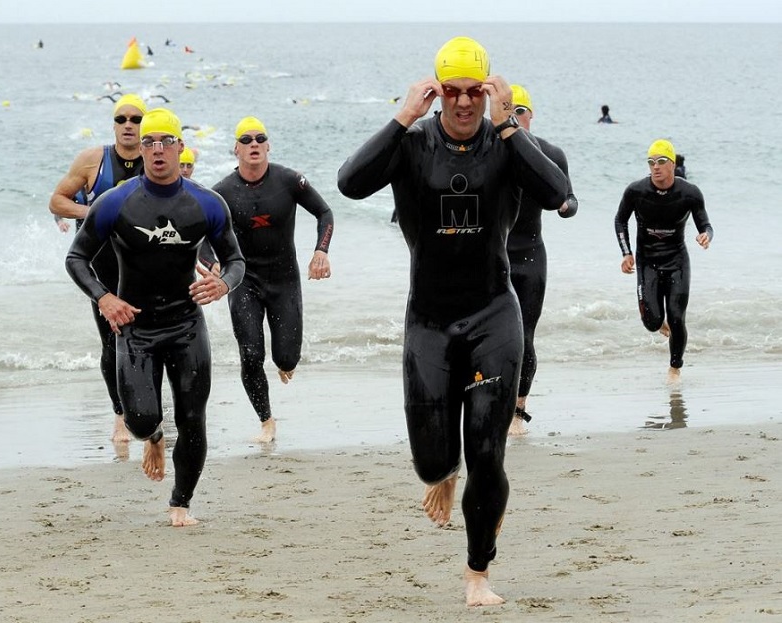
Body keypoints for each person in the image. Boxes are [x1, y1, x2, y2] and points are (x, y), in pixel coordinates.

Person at [337, 36, 568, 606]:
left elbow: (559, 192)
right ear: (437, 92)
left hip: (493, 314)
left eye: (474, 91)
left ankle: (477, 574)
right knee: (432, 461)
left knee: (487, 452)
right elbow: (349, 183)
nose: (464, 103)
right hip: (430, 323)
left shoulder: (508, 143)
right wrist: (401, 116)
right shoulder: (413, 144)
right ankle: (444, 472)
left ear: (487, 90)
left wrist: (509, 122)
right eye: (452, 92)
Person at [65, 108, 245, 526]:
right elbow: (77, 257)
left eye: (166, 142)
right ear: (141, 149)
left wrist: (223, 284)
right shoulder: (116, 202)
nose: (158, 150)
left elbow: (235, 260)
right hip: (136, 328)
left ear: (180, 147)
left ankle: (180, 504)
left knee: (193, 418)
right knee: (141, 419)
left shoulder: (207, 203)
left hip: (186, 326)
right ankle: (155, 439)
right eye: (150, 142)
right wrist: (104, 298)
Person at [208, 116, 334, 443]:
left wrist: (321, 251)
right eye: (246, 140)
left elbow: (325, 214)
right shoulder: (222, 192)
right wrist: (209, 264)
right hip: (244, 280)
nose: (253, 145)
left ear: (268, 146)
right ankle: (266, 420)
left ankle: (285, 361)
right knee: (251, 355)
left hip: (284, 279)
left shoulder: (290, 181)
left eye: (259, 139)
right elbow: (202, 234)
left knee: (287, 358)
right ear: (235, 149)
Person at [49, 93, 148, 449]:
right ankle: (120, 415)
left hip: (143, 264)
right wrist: (89, 213)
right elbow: (56, 200)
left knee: (150, 337)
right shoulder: (93, 160)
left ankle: (150, 407)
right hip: (101, 264)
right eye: (121, 119)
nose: (128, 125)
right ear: (114, 125)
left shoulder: (155, 159)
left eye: (135, 119)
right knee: (112, 340)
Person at [506, 85, 579, 436]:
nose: (516, 118)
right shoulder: (493, 152)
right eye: (510, 112)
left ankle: (518, 411)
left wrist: (566, 206)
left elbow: (570, 198)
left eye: (521, 111)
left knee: (525, 337)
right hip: (492, 258)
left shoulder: (550, 153)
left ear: (531, 116)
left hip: (531, 256)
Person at [614, 139, 712, 383]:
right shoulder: (636, 191)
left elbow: (706, 225)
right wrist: (626, 253)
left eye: (660, 161)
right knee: (652, 322)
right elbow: (620, 220)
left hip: (677, 260)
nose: (655, 167)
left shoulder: (690, 193)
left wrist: (705, 236)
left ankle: (675, 368)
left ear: (672, 164)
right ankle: (660, 324)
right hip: (647, 262)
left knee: (677, 317)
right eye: (650, 162)